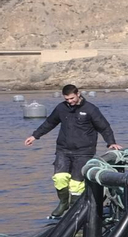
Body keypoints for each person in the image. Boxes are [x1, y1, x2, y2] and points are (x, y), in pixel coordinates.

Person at [23, 84, 120, 219]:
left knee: (76, 185)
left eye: (72, 98)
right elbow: (49, 123)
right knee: (59, 178)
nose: (70, 101)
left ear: (78, 94)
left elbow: (104, 127)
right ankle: (63, 202)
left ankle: (75, 213)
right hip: (63, 150)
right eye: (67, 99)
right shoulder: (61, 108)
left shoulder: (90, 109)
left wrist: (111, 142)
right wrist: (35, 136)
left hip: (84, 151)